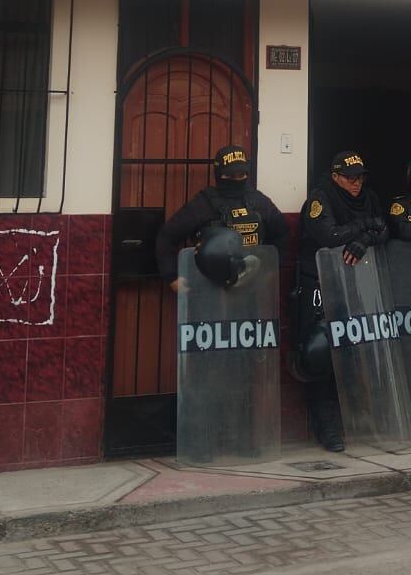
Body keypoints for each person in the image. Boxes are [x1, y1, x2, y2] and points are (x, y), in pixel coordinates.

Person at [294, 150, 390, 451]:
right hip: (318, 286)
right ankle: (328, 429)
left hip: (355, 285)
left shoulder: (369, 198)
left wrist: (365, 241)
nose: (356, 183)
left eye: (359, 177)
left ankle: (358, 423)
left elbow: (385, 228)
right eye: (350, 178)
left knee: (356, 353)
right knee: (320, 355)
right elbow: (329, 236)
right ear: (336, 176)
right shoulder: (320, 200)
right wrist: (365, 228)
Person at [155, 144, 287, 290]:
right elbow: (166, 237)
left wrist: (271, 271)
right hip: (209, 288)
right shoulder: (203, 204)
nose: (236, 179)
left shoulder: (260, 202)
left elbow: (282, 234)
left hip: (252, 288)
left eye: (241, 175)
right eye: (230, 176)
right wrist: (172, 277)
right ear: (219, 174)